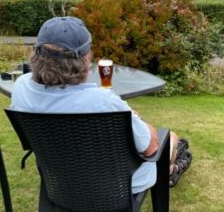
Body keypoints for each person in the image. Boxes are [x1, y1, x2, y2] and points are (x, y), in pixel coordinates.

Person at [10, 16, 191, 190]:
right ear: (85, 59)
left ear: (36, 55)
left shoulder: (21, 87)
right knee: (171, 138)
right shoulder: (102, 101)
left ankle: (172, 166)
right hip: (118, 185)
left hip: (62, 179)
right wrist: (135, 118)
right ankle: (170, 169)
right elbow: (150, 148)